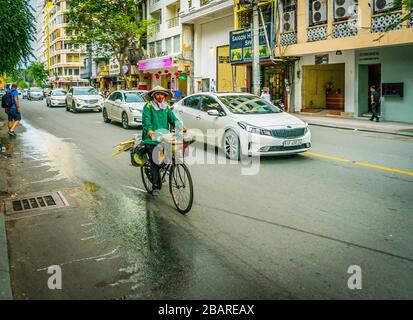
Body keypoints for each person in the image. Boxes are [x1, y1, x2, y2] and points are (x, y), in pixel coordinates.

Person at [142, 86, 184, 197]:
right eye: (158, 94)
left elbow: (173, 119)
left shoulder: (166, 107)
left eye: (162, 95)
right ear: (153, 95)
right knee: (155, 162)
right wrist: (150, 130)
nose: (160, 97)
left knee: (169, 157)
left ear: (165, 96)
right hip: (151, 139)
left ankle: (155, 171)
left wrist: (181, 126)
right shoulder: (148, 106)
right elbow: (146, 121)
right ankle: (155, 185)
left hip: (165, 137)